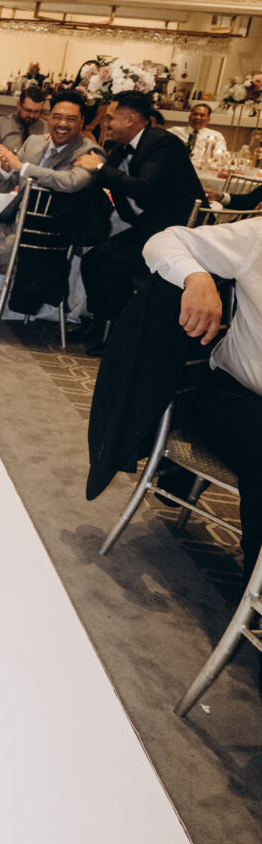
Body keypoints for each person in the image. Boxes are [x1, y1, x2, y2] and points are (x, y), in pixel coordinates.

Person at [143, 216, 262, 586]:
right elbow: (164, 241)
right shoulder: (258, 236)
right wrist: (196, 278)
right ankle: (255, 598)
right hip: (237, 394)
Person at [0, 88, 105, 323]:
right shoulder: (35, 142)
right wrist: (6, 170)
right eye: (57, 117)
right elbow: (3, 188)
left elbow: (71, 182)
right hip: (13, 226)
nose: (62, 124)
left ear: (82, 121)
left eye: (71, 118)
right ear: (49, 117)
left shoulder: (90, 152)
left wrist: (23, 167)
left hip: (45, 240)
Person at [78, 89, 202, 353]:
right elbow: (103, 176)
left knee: (115, 264)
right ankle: (98, 323)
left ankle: (118, 336)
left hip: (176, 232)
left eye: (111, 117)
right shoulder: (121, 148)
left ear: (130, 119)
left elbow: (143, 187)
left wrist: (99, 167)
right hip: (149, 227)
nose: (106, 123)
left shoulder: (163, 143)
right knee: (92, 260)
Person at [0, 84, 47, 153]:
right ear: (18, 105)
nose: (31, 116)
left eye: (36, 111)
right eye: (28, 110)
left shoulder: (46, 129)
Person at [178, 100, 231, 171]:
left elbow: (222, 154)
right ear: (189, 116)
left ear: (208, 118)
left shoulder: (216, 135)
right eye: (195, 114)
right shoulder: (174, 132)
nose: (197, 118)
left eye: (202, 115)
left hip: (203, 169)